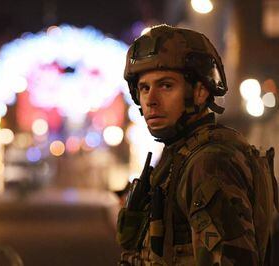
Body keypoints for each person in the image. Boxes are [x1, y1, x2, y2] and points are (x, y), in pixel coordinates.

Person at [116, 24, 278, 265]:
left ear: (200, 91)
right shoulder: (180, 154)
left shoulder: (209, 163)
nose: (151, 100)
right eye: (144, 88)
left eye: (166, 85)